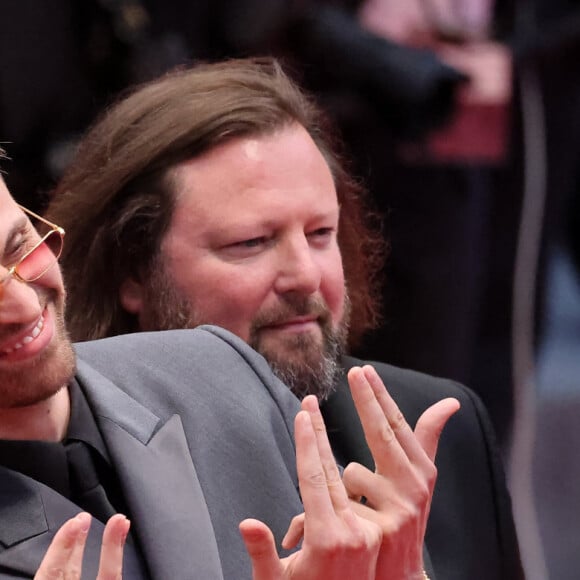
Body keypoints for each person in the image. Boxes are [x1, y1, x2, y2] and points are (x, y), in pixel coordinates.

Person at [47, 58, 523, 580]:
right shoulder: (71, 473)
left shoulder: (437, 428)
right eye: (250, 243)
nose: (304, 276)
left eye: (321, 234)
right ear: (132, 273)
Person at [0, 168, 459, 578]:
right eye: (249, 242)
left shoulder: (217, 367)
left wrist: (401, 571)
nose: (22, 305)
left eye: (19, 248)